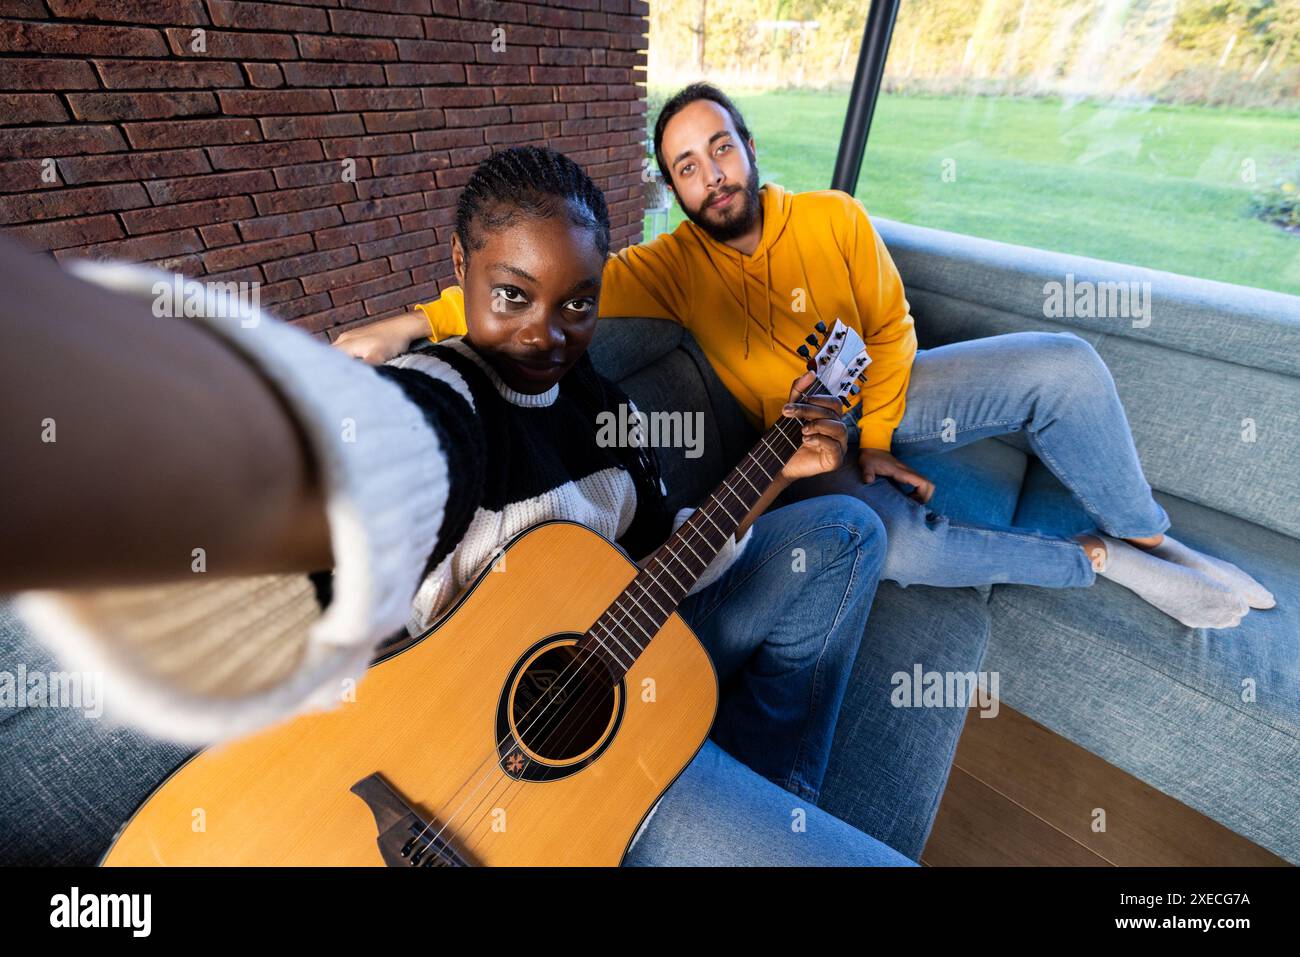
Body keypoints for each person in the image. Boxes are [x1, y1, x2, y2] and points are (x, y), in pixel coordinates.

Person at [1, 147, 924, 866]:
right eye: (512, 295)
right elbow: (403, 449)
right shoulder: (441, 389)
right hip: (428, 765)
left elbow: (657, 562)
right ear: (460, 271)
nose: (545, 336)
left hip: (614, 684)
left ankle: (770, 777)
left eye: (579, 304)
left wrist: (774, 471)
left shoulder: (612, 417)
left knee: (847, 524)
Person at [338, 83, 1274, 631]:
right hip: (792, 432)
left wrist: (874, 438)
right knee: (889, 542)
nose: (712, 175)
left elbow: (895, 327)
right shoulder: (668, 266)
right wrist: (417, 323)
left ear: (750, 147)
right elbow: (542, 281)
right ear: (675, 190)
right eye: (688, 168)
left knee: (1065, 360)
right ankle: (1102, 560)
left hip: (889, 398)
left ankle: (1147, 527)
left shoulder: (835, 217)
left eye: (720, 148)